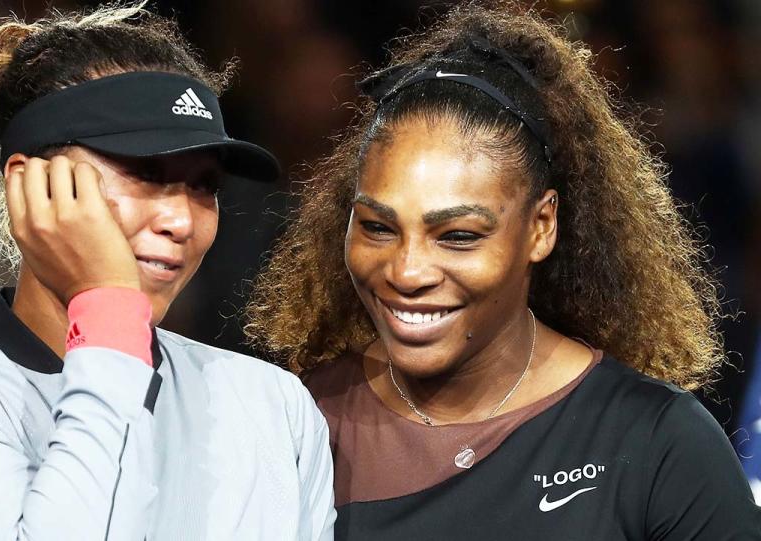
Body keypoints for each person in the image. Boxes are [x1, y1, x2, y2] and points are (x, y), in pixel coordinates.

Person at [244, 4, 761, 539]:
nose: (406, 270)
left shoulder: (658, 442)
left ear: (541, 226)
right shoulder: (299, 421)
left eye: (459, 236)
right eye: (377, 227)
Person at [0, 4, 335, 540]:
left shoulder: (275, 403)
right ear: (32, 187)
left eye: (204, 184)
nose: (182, 219)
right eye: (145, 172)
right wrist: (108, 305)